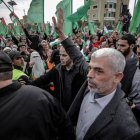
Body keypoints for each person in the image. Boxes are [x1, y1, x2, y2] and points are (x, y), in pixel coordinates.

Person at [52, 8, 140, 140]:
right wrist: (62, 35)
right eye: (91, 68)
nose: (89, 75)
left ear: (117, 77)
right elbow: (78, 58)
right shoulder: (93, 83)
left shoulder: (127, 129)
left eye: (99, 70)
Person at [0, 50, 75, 140]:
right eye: (60, 55)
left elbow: (65, 128)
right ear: (11, 65)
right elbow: (42, 80)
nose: (61, 58)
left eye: (64, 55)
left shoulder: (45, 98)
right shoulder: (56, 72)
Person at [117, 34, 140, 125]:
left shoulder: (135, 63)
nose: (118, 48)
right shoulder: (116, 60)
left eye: (122, 45)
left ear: (131, 46)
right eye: (118, 45)